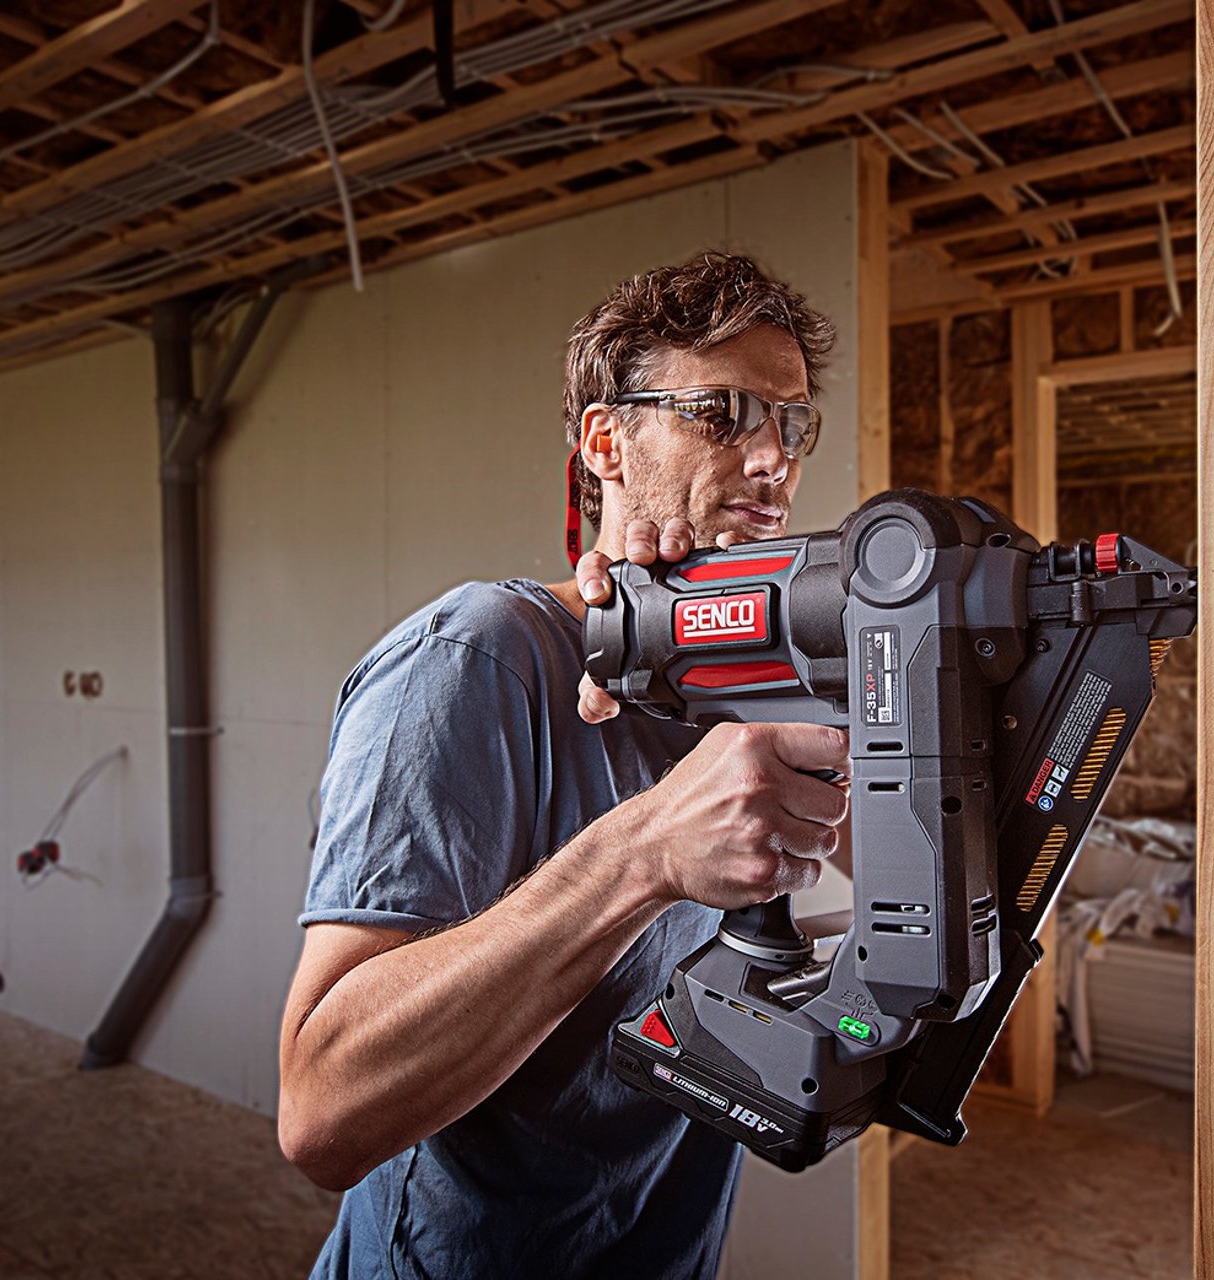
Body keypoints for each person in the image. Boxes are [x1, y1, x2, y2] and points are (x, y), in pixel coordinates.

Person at [277, 251, 851, 1278]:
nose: (774, 460)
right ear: (607, 441)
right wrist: (645, 851)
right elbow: (322, 1107)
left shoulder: (745, 684)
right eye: (723, 412)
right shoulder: (476, 655)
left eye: (790, 421)